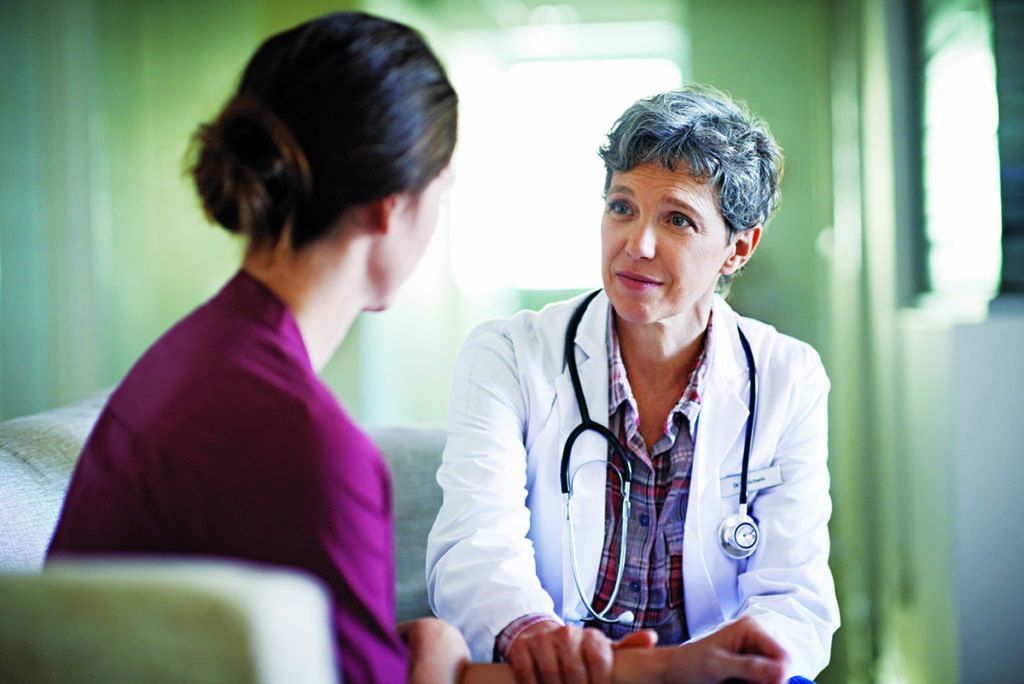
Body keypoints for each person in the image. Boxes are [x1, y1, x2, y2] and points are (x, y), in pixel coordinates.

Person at [45, 14, 789, 684]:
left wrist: (438, 652)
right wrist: (438, 657)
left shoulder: (188, 356)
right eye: (444, 189)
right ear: (390, 207)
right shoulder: (307, 448)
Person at [427, 85, 841, 683]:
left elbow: (792, 595)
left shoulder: (788, 377)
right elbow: (473, 549)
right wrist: (534, 634)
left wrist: (747, 663)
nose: (636, 244)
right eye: (622, 206)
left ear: (737, 249)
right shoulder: (509, 356)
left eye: (678, 219)